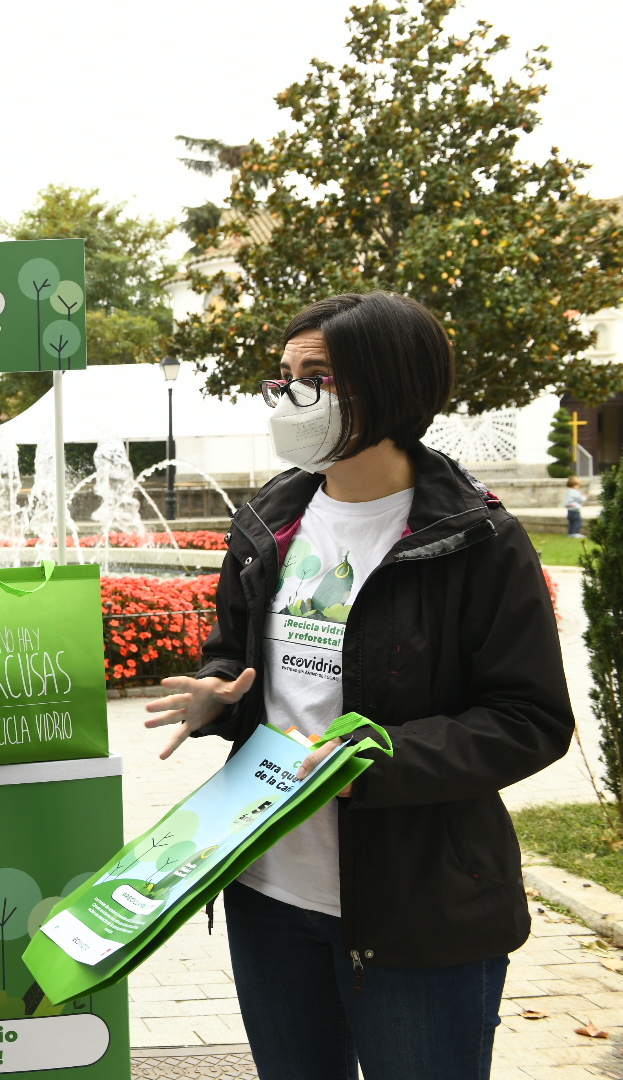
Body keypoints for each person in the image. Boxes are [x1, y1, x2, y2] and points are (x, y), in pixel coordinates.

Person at [145, 292, 572, 1080]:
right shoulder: (269, 524)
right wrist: (216, 692)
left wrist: (380, 758)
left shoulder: (480, 540)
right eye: (282, 376)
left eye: (317, 376)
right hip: (269, 888)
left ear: (389, 386)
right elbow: (234, 651)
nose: (288, 395)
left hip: (419, 905)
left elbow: (529, 718)